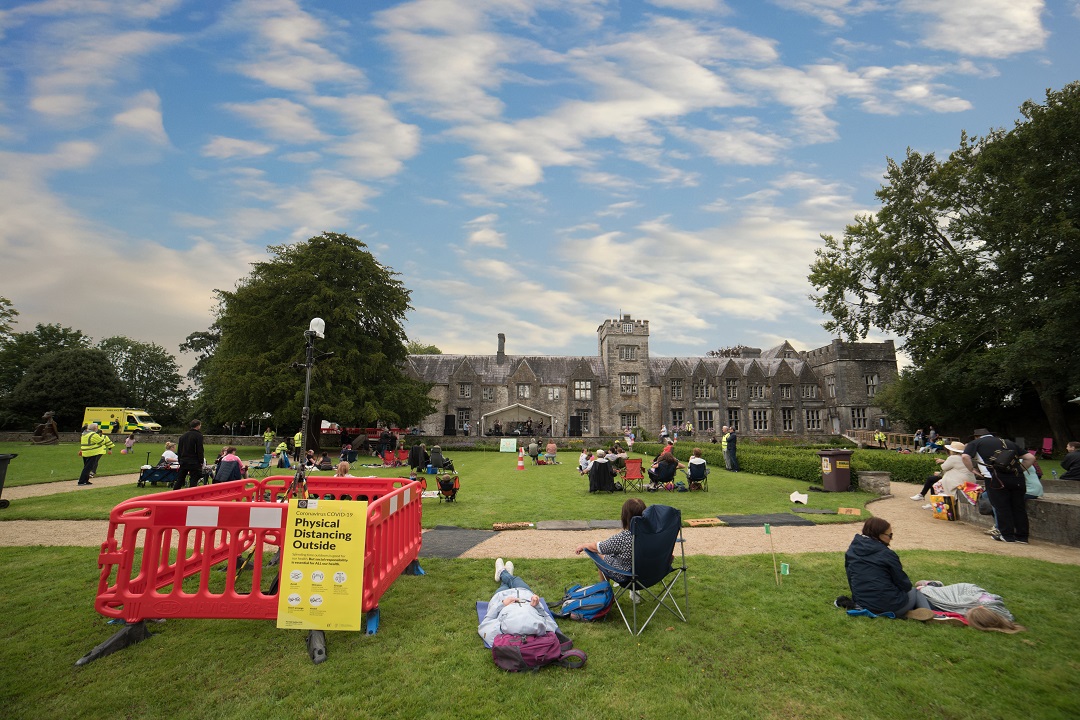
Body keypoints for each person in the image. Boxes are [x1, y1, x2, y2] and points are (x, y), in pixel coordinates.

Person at [844, 517, 931, 617]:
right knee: (914, 591)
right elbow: (903, 584)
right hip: (889, 606)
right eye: (889, 535)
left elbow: (850, 577)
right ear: (879, 535)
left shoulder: (852, 550)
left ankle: (909, 612)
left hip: (863, 603)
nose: (891, 538)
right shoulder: (886, 554)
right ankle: (933, 616)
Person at [963, 428, 1035, 544]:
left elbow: (965, 457)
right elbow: (1030, 458)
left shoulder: (975, 443)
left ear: (976, 436)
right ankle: (1022, 536)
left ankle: (1007, 535)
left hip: (994, 478)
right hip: (1017, 478)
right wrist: (1019, 470)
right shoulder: (1008, 442)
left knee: (1001, 506)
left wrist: (972, 469)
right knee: (1019, 507)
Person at [477, 559, 558, 646]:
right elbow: (550, 621)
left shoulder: (500, 630)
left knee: (508, 583)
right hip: (525, 594)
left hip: (503, 597)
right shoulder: (542, 628)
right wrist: (537, 605)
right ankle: (505, 574)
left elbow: (485, 623)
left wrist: (502, 604)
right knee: (515, 579)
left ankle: (502, 572)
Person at [574, 498, 647, 588]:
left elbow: (599, 547)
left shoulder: (624, 537)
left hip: (626, 575)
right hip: (649, 574)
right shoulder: (652, 534)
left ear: (625, 517)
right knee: (616, 554)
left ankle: (605, 591)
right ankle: (634, 595)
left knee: (600, 556)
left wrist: (583, 545)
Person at [910, 441, 975, 500]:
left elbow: (944, 467)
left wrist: (943, 463)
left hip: (958, 481)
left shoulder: (953, 457)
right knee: (932, 481)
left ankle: (931, 499)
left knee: (934, 483)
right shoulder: (963, 457)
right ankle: (926, 497)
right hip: (966, 479)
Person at [173, 419, 205, 490]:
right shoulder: (198, 435)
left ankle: (174, 493)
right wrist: (201, 461)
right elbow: (200, 449)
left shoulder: (183, 436)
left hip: (183, 460)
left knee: (180, 479)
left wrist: (179, 460)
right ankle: (191, 495)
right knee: (194, 479)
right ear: (198, 426)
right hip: (194, 461)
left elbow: (180, 449)